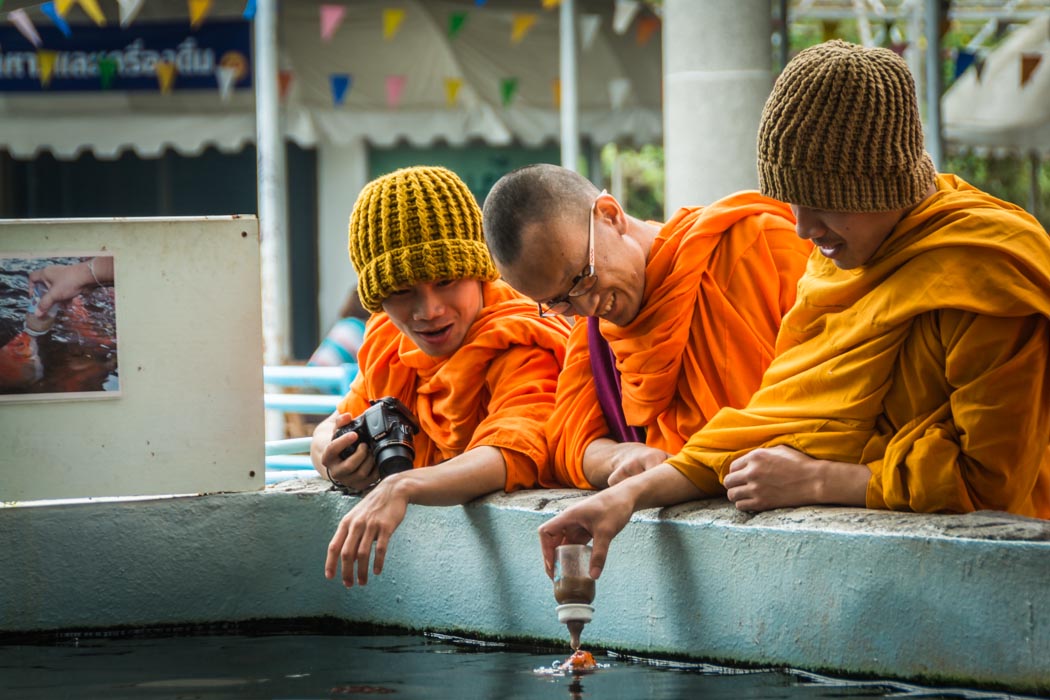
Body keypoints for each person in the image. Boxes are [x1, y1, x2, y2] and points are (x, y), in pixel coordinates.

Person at [537, 39, 1050, 582]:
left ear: (882, 184)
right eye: (792, 201)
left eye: (822, 202)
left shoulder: (984, 268)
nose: (803, 229)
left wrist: (821, 481)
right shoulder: (837, 264)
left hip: (1004, 586)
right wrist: (627, 498)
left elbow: (988, 483)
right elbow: (776, 420)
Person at [314, 165, 571, 588]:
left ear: (478, 269)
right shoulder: (387, 344)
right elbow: (337, 421)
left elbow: (512, 452)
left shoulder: (521, 335)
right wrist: (334, 458)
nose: (428, 311)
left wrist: (403, 487)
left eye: (446, 280)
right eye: (402, 291)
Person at [482, 164, 811, 490]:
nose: (586, 306)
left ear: (611, 216)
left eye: (583, 277)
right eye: (558, 302)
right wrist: (619, 457)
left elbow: (834, 396)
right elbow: (570, 444)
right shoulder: (595, 334)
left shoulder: (760, 245)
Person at [308, 289, 369, 367]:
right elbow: (367, 362)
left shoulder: (342, 325)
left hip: (312, 371)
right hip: (335, 375)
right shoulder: (361, 329)